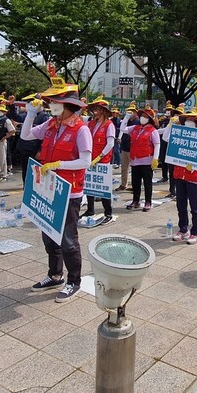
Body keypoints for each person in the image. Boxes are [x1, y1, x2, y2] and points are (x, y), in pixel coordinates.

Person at [21, 76, 93, 303]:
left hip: (69, 191)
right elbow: (25, 135)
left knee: (68, 239)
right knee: (48, 235)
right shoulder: (51, 125)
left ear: (67, 105)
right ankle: (55, 274)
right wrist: (31, 114)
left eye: (54, 102)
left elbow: (85, 161)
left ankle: (74, 281)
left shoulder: (81, 129)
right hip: (48, 189)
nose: (50, 105)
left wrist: (58, 165)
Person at [171, 109, 197, 243]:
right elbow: (165, 138)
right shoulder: (180, 136)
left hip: (194, 177)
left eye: (191, 121)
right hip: (180, 175)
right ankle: (183, 229)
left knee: (194, 206)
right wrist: (171, 125)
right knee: (181, 205)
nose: (188, 123)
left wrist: (195, 162)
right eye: (186, 121)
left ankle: (195, 232)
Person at [81, 96, 116, 226]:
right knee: (89, 185)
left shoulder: (109, 125)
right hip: (90, 160)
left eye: (97, 108)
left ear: (103, 110)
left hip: (102, 161)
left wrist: (100, 157)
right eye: (94, 108)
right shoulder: (91, 123)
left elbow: (110, 143)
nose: (94, 110)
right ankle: (90, 210)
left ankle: (108, 213)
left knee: (103, 188)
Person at [123, 106, 160, 211]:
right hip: (135, 160)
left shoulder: (153, 131)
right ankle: (136, 200)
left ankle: (148, 202)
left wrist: (155, 159)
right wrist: (126, 117)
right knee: (135, 182)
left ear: (149, 119)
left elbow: (157, 144)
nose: (142, 118)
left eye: (145, 116)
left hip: (147, 160)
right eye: (142, 116)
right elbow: (122, 129)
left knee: (147, 183)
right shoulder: (135, 128)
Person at [16, 94, 47, 184]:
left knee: (35, 173)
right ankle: (26, 187)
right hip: (25, 148)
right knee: (25, 170)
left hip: (35, 149)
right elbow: (24, 135)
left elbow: (46, 137)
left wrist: (40, 151)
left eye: (31, 102)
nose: (29, 104)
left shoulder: (43, 116)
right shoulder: (27, 115)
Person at [0, 99, 15, 181]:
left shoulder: (6, 120)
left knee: (2, 158)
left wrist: (5, 137)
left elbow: (12, 130)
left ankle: (4, 174)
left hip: (1, 141)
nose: (0, 112)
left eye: (2, 111)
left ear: (5, 112)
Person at [116, 102, 137, 192]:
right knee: (124, 168)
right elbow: (122, 129)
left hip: (133, 147)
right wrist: (126, 117)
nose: (130, 113)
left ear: (135, 113)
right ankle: (124, 184)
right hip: (125, 146)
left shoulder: (138, 121)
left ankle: (135, 185)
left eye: (132, 111)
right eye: (129, 111)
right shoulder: (126, 121)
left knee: (135, 168)